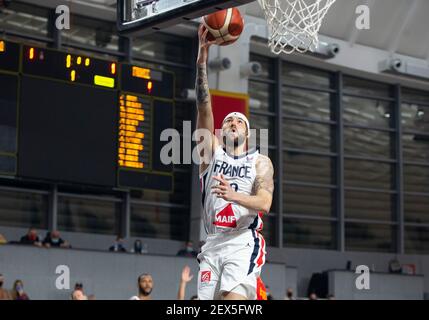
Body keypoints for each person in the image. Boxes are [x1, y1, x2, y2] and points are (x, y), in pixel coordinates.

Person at [195, 25, 274, 300]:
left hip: (242, 240)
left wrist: (234, 195)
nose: (233, 122)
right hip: (212, 243)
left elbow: (264, 203)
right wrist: (202, 61)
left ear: (247, 133)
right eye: (228, 119)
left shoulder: (260, 162)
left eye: (239, 120)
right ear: (221, 130)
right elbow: (204, 106)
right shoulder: (211, 154)